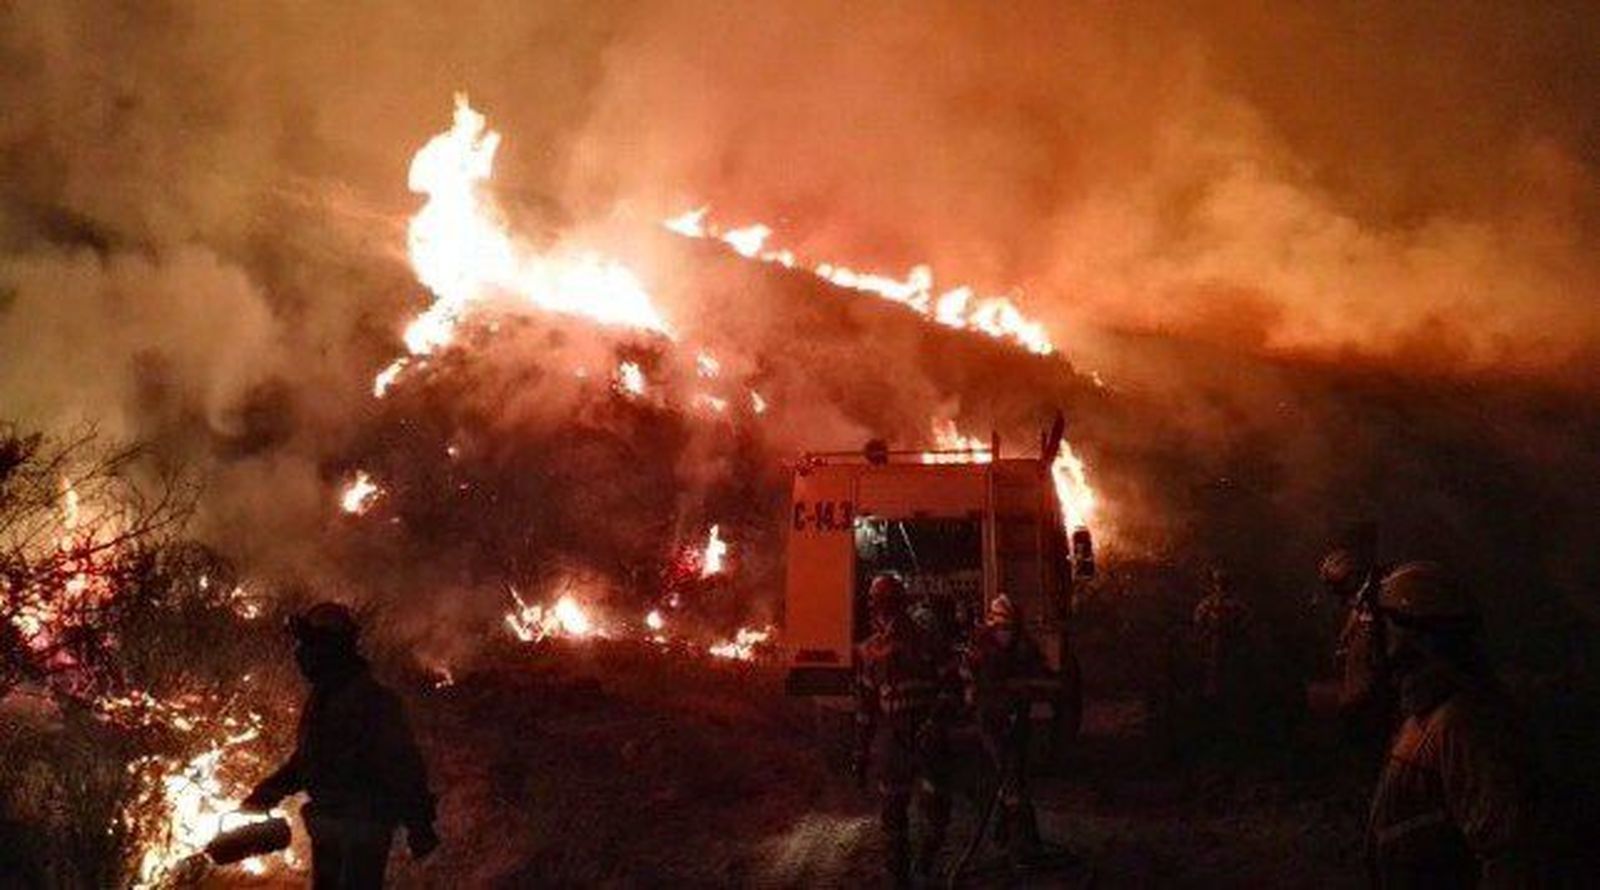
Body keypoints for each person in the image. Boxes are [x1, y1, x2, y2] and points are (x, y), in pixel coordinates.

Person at [1365, 562, 1541, 888]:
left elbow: (1507, 851)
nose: (1377, 637)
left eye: (1385, 625)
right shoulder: (1425, 713)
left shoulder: (1463, 723)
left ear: (1414, 635)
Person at [243, 602, 438, 889]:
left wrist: (419, 824)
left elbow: (404, 766)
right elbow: (308, 759)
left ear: (333, 647)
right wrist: (268, 792)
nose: (301, 652)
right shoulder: (323, 698)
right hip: (328, 824)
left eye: (310, 643)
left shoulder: (371, 700)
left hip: (363, 827)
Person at [854, 573, 955, 885]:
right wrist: (860, 751)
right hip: (894, 739)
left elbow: (951, 685)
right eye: (877, 602)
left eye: (884, 602)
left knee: (936, 810)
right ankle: (901, 878)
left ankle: (924, 862)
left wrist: (935, 721)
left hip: (926, 737)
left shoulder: (928, 640)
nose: (880, 609)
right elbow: (866, 706)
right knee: (894, 816)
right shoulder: (869, 650)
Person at [962, 594, 1055, 865]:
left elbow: (1043, 676)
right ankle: (1022, 844)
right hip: (991, 721)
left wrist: (1032, 687)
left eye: (1010, 628)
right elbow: (972, 683)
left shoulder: (1026, 648)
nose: (1006, 634)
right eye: (1002, 628)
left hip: (1018, 720)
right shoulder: (980, 650)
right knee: (1010, 777)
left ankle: (1003, 835)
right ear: (992, 626)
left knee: (1014, 776)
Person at [1321, 546, 1395, 748]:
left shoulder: (1377, 606)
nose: (1338, 596)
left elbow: (1377, 659)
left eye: (1338, 588)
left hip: (1371, 702)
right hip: (1359, 701)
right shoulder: (1358, 608)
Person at [1191, 567, 1254, 722]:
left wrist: (1236, 632)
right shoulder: (1209, 603)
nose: (1220, 585)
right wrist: (1206, 631)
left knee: (1230, 675)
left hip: (1230, 644)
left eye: (1222, 582)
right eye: (1218, 582)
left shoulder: (1234, 604)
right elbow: (1198, 619)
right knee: (1213, 674)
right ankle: (1214, 710)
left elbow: (1247, 620)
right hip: (1214, 643)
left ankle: (1227, 709)